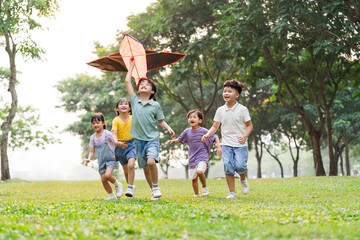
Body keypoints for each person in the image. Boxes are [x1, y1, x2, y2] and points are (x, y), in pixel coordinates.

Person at [125, 57, 175, 200]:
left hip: (152, 139)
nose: (143, 85)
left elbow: (160, 121)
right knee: (145, 168)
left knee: (151, 162)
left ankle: (156, 187)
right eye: (141, 84)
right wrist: (132, 67)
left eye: (147, 84)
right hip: (138, 140)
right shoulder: (134, 101)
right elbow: (128, 81)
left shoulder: (155, 105)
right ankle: (153, 191)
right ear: (138, 90)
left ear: (152, 91)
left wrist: (168, 128)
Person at [202, 80, 253, 199]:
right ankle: (232, 192)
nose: (226, 93)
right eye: (225, 91)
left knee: (240, 166)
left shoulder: (242, 109)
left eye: (230, 91)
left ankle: (243, 179)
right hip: (226, 144)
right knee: (228, 167)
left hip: (241, 144)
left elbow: (249, 126)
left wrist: (245, 136)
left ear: (237, 94)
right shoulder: (220, 110)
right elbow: (215, 126)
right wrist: (207, 135)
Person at [165, 109, 221, 196]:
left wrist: (218, 147)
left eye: (194, 117)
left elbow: (215, 137)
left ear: (200, 120)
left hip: (203, 156)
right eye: (190, 117)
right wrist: (172, 141)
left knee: (199, 172)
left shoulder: (204, 131)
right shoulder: (187, 132)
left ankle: (204, 188)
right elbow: (179, 140)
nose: (192, 118)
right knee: (194, 178)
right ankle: (196, 195)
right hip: (192, 157)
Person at [111, 98, 152, 199]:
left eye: (126, 104)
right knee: (126, 170)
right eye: (121, 104)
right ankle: (131, 189)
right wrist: (116, 142)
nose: (123, 105)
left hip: (132, 144)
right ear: (117, 108)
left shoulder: (133, 118)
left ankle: (129, 187)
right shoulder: (115, 120)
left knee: (131, 165)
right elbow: (114, 134)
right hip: (120, 146)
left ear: (130, 108)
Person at [84, 112, 123, 200]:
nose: (95, 125)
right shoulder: (92, 138)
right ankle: (111, 196)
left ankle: (117, 184)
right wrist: (89, 159)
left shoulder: (108, 134)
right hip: (101, 161)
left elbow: (116, 142)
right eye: (93, 123)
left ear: (103, 123)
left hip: (111, 159)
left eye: (98, 122)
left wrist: (116, 154)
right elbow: (92, 151)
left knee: (108, 175)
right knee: (103, 179)